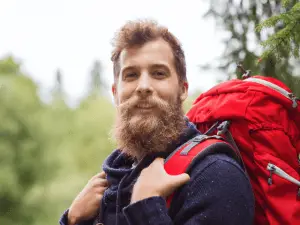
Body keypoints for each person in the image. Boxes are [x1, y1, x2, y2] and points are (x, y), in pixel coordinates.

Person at [59, 19, 254, 225]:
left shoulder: (217, 175)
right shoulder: (110, 184)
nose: (143, 86)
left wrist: (146, 206)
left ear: (183, 89)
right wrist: (72, 221)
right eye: (131, 75)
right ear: (116, 93)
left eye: (158, 74)